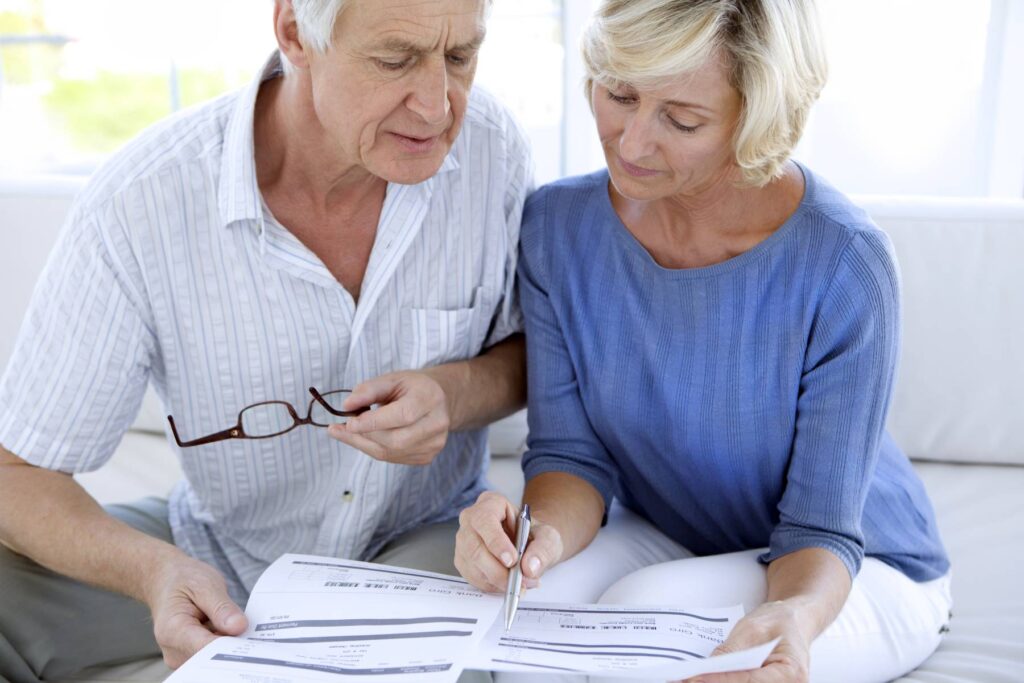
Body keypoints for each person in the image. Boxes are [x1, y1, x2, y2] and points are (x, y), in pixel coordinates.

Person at [0, 0, 530, 681]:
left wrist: (455, 394)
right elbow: (18, 476)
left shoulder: (493, 152)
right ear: (294, 32)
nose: (437, 104)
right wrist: (155, 571)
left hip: (422, 545)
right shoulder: (142, 203)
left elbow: (531, 354)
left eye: (460, 57)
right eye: (395, 60)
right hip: (217, 547)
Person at [454, 1, 951, 682]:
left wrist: (794, 619)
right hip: (675, 528)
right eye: (618, 94)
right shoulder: (557, 228)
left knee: (648, 629)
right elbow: (572, 456)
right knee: (521, 627)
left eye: (681, 120)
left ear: (755, 118)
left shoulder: (845, 262)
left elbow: (821, 529)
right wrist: (535, 538)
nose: (629, 144)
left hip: (849, 567)